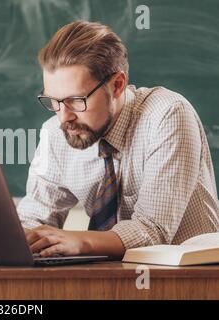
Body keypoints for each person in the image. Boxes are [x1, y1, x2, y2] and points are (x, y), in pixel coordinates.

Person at [17, 20, 219, 259]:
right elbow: (33, 218)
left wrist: (80, 240)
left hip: (188, 282)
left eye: (76, 100)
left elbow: (152, 230)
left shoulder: (168, 114)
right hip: (109, 280)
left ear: (117, 85)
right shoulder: (55, 133)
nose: (64, 117)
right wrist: (19, 237)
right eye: (54, 101)